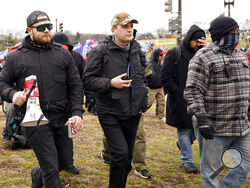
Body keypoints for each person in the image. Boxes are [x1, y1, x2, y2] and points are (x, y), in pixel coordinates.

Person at [0, 10, 84, 188]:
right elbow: (2, 83)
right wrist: (12, 94)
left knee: (64, 163)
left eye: (49, 27)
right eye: (42, 27)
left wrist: (77, 113)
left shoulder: (63, 54)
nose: (47, 31)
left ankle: (38, 175)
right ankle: (45, 173)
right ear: (29, 30)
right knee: (51, 169)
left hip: (62, 117)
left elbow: (75, 85)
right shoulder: (15, 56)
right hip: (34, 120)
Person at [82, 12, 148, 188]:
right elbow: (87, 80)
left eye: (131, 26)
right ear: (113, 29)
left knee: (126, 159)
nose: (129, 29)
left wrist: (142, 102)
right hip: (109, 111)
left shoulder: (136, 49)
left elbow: (142, 77)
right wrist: (110, 83)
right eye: (125, 26)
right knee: (119, 154)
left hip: (133, 112)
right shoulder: (100, 51)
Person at [184, 16, 250, 187]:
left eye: (237, 32)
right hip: (214, 128)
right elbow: (192, 90)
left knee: (244, 166)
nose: (236, 36)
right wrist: (202, 118)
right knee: (212, 172)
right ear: (221, 34)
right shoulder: (203, 57)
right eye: (232, 32)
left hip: (242, 126)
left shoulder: (241, 56)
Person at [161, 25, 207, 174]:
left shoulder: (204, 54)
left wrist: (206, 49)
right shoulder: (176, 53)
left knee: (199, 128)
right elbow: (165, 77)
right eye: (196, 41)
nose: (198, 45)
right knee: (184, 130)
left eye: (201, 42)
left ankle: (183, 144)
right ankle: (187, 160)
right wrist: (178, 91)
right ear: (189, 39)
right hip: (180, 100)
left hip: (200, 99)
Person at [52, 32, 86, 174]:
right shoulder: (50, 57)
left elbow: (84, 75)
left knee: (68, 135)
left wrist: (83, 96)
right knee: (53, 136)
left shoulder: (76, 57)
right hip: (54, 102)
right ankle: (55, 166)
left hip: (70, 101)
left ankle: (68, 163)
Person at [101, 113, 152, 179]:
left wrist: (142, 106)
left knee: (139, 134)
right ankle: (106, 154)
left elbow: (148, 102)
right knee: (112, 132)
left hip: (135, 109)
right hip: (114, 108)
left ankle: (140, 166)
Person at [147, 48, 165, 120]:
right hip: (152, 88)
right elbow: (146, 76)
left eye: (162, 55)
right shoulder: (150, 65)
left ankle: (160, 116)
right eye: (161, 55)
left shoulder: (161, 65)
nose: (162, 56)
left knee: (162, 102)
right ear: (156, 55)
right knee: (149, 103)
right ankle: (139, 112)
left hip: (160, 88)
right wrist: (149, 83)